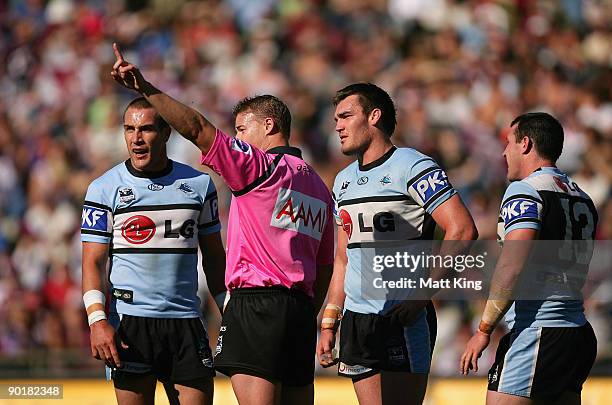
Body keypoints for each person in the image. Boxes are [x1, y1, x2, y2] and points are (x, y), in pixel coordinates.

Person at [110, 43, 335, 405]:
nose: (239, 138)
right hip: (300, 309)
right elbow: (324, 265)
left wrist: (145, 88)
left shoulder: (260, 167)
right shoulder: (319, 188)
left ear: (269, 125)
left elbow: (198, 128)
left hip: (257, 305)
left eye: (243, 129)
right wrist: (308, 313)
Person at [317, 83, 478, 405]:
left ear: (374, 116)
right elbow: (342, 259)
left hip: (401, 315)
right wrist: (329, 320)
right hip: (357, 319)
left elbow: (461, 229)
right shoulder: (343, 180)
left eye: (346, 116)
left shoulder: (413, 166)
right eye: (336, 118)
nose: (337, 126)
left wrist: (420, 296)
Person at [81, 97, 227, 405]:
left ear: (166, 133)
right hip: (129, 324)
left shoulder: (199, 185)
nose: (136, 138)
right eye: (129, 129)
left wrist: (229, 309)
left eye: (146, 129)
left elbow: (214, 257)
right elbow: (92, 261)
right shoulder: (103, 188)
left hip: (186, 320)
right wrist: (96, 320)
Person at [460, 112, 598, 405]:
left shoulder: (526, 190)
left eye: (508, 143)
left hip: (538, 330)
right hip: (576, 331)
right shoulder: (582, 196)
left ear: (525, 144)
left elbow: (512, 266)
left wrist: (483, 330)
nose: (504, 151)